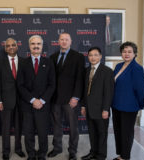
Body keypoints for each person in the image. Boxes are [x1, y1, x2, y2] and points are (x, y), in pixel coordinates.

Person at [17, 35, 56, 160]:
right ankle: (31, 154)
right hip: (28, 105)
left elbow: (52, 85)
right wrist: (33, 100)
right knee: (28, 133)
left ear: (42, 46)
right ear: (29, 46)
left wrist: (42, 100)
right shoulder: (23, 63)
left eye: (38, 44)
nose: (36, 46)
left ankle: (42, 153)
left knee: (42, 132)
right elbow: (20, 85)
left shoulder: (48, 62)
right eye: (33, 44)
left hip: (43, 105)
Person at [48, 32, 85, 160]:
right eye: (62, 39)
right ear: (58, 41)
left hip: (71, 100)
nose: (64, 42)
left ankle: (72, 151)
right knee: (56, 125)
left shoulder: (78, 57)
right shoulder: (52, 57)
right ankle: (57, 148)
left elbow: (80, 79)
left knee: (73, 127)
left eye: (66, 39)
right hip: (55, 99)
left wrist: (75, 97)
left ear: (71, 41)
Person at [112, 41, 144, 160]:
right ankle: (121, 155)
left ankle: (125, 157)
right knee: (118, 132)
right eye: (124, 51)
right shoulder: (118, 66)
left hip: (129, 107)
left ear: (134, 54)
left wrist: (141, 104)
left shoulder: (137, 68)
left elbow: (140, 89)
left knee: (126, 133)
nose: (126, 54)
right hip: (116, 105)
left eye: (129, 52)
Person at [0, 38, 26, 160]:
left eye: (13, 45)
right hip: (5, 101)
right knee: (5, 128)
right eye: (8, 45)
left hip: (21, 101)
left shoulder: (24, 62)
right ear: (5, 48)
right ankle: (6, 151)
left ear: (17, 47)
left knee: (19, 127)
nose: (11, 47)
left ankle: (18, 149)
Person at [80, 47, 114, 160]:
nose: (93, 57)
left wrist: (105, 109)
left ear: (100, 56)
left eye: (95, 55)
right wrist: (84, 105)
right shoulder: (86, 71)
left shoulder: (107, 71)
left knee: (102, 134)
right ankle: (93, 152)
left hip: (101, 110)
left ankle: (101, 155)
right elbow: (85, 90)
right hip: (89, 109)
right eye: (90, 55)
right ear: (88, 57)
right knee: (92, 133)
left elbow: (108, 92)